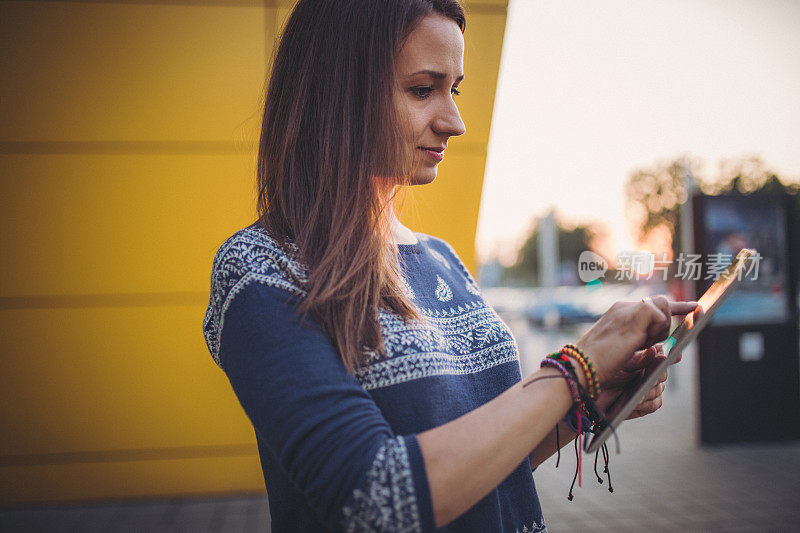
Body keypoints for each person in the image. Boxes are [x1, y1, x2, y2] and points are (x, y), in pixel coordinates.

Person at [201, 1, 698, 531]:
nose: (454, 122)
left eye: (454, 89)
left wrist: (586, 404)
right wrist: (576, 366)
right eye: (422, 89)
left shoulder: (442, 259)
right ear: (336, 93)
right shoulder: (261, 266)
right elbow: (375, 498)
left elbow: (485, 467)